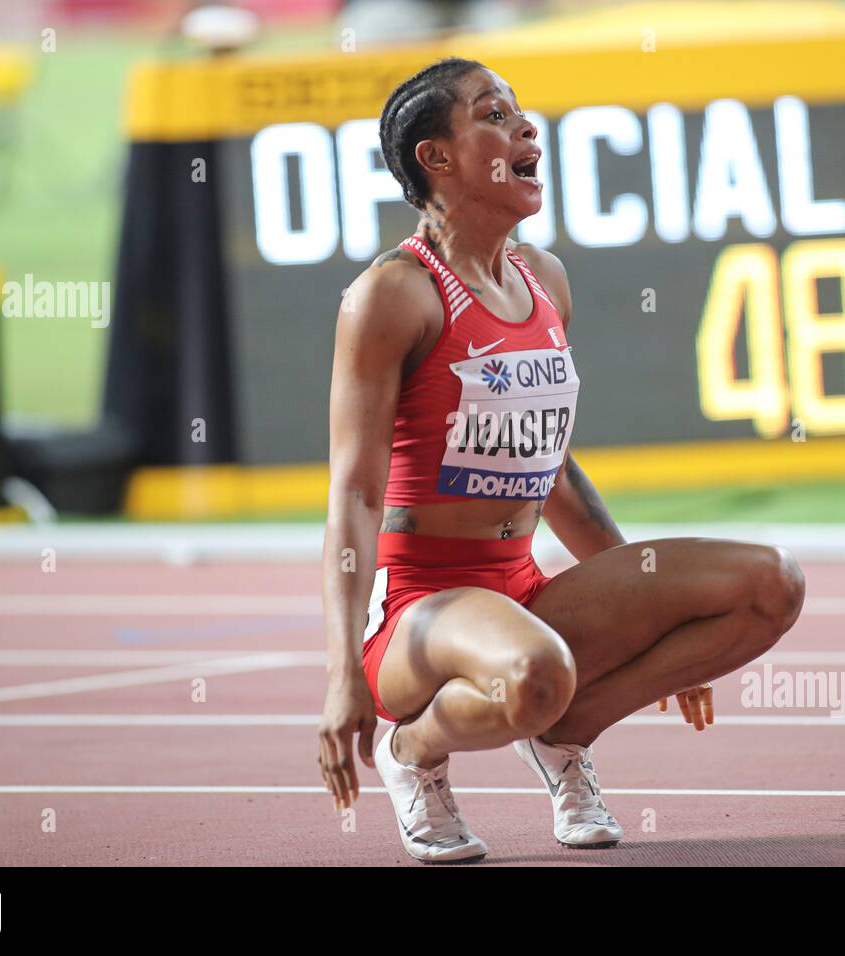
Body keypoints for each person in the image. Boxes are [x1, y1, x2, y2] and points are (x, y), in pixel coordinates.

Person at [319, 57, 805, 863]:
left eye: (520, 112)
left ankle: (561, 737)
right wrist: (341, 673)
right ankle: (413, 755)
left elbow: (556, 472)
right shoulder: (392, 295)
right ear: (436, 159)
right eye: (493, 114)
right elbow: (354, 497)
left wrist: (657, 613)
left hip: (524, 592)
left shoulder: (545, 280)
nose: (525, 127)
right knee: (540, 670)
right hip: (418, 610)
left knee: (770, 584)